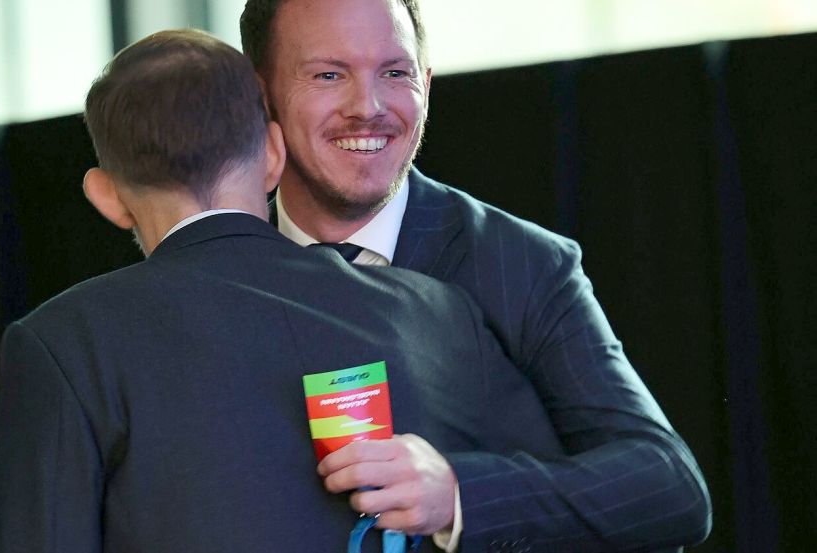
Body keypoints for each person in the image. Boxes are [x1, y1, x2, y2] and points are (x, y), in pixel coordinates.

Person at [0, 29, 571, 553]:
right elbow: (554, 515)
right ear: (273, 154)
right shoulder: (432, 309)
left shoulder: (62, 342)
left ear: (105, 195)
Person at [240, 0, 712, 551]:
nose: (367, 106)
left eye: (395, 73)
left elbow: (668, 485)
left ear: (427, 83)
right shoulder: (215, 274)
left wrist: (459, 495)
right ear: (260, 94)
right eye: (328, 74)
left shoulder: (524, 263)